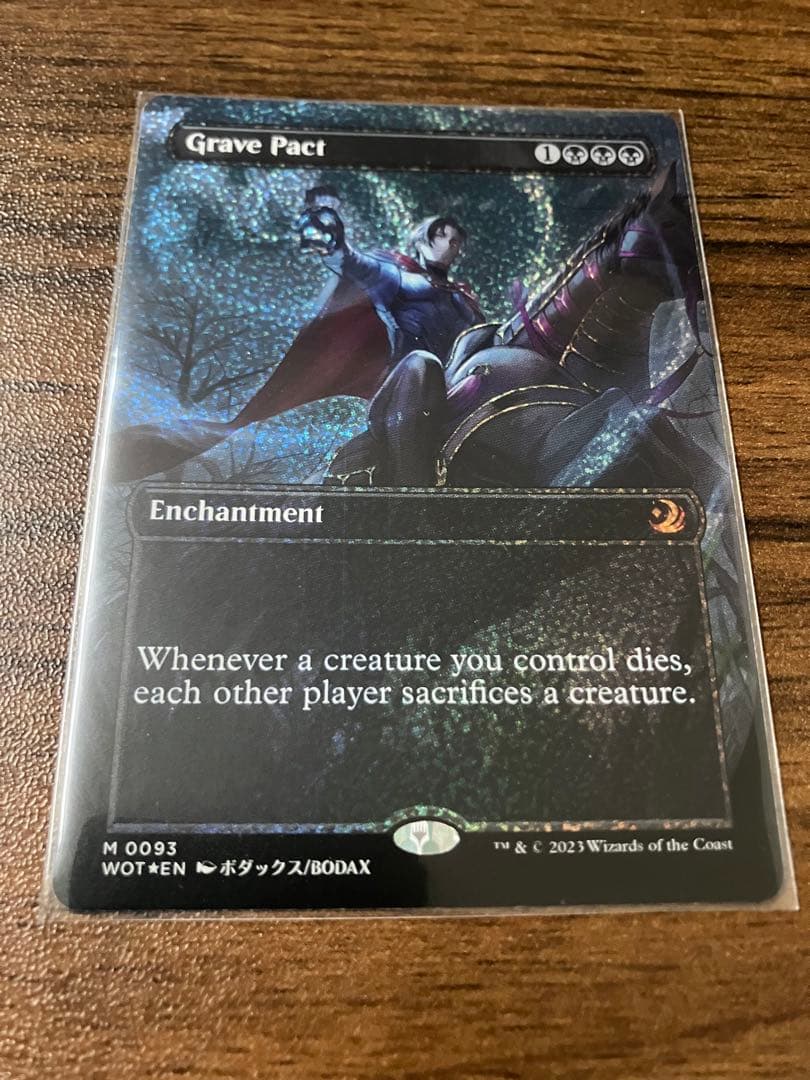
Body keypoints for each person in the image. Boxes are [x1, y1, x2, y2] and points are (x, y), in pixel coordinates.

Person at [302, 189, 482, 484]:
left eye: (456, 241)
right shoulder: (401, 277)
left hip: (453, 386)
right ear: (423, 239)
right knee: (421, 363)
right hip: (401, 389)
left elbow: (481, 341)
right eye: (443, 236)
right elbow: (353, 262)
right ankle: (408, 489)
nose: (451, 245)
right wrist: (330, 235)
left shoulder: (463, 299)